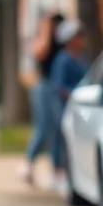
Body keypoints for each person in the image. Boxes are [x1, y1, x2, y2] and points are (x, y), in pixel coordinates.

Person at [20, 10, 65, 185]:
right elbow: (39, 53)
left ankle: (57, 170)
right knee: (44, 128)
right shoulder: (43, 39)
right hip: (44, 87)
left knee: (57, 129)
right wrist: (46, 29)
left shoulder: (62, 40)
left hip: (58, 87)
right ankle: (29, 162)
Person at [47, 18, 88, 194]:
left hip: (81, 107)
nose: (83, 39)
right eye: (79, 36)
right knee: (61, 139)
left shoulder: (80, 59)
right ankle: (58, 173)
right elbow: (59, 86)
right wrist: (73, 96)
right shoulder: (63, 60)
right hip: (66, 106)